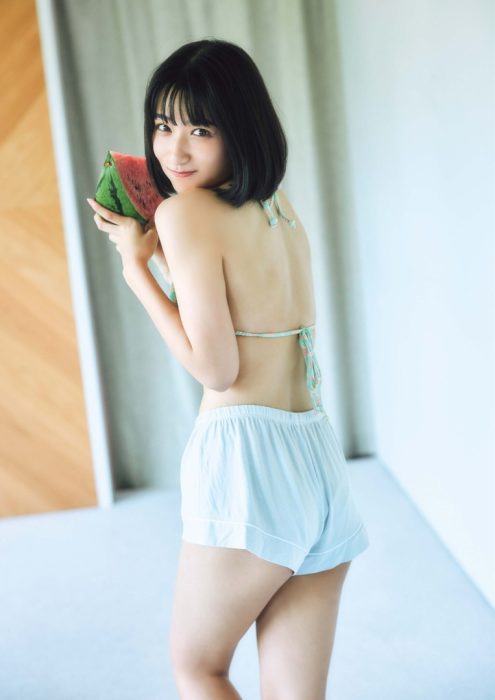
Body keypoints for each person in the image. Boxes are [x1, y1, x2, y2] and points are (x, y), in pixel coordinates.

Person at [87, 38, 370, 700]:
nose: (174, 152)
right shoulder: (279, 209)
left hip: (246, 459)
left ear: (238, 129)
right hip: (316, 458)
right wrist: (162, 257)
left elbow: (216, 367)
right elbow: (240, 306)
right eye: (164, 126)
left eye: (201, 130)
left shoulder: (183, 212)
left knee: (198, 667)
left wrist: (135, 268)